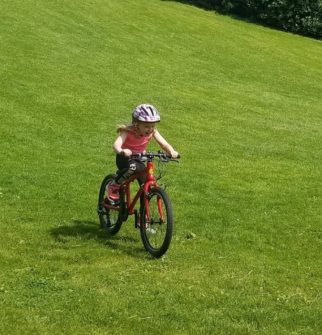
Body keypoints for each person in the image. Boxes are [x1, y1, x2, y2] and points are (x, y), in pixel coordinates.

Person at [108, 103, 179, 202]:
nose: (150, 129)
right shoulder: (128, 131)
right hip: (124, 159)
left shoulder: (153, 132)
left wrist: (171, 151)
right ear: (136, 124)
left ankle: (144, 214)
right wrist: (122, 151)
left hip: (139, 159)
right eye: (146, 126)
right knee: (132, 167)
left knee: (146, 186)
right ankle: (114, 185)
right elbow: (116, 145)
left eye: (152, 126)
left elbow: (164, 144)